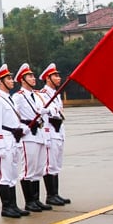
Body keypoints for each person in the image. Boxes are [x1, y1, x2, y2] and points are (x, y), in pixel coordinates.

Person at [0, 65, 27, 218]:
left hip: (13, 140)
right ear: (1, 81)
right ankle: (6, 207)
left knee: (11, 175)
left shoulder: (8, 99)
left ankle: (14, 205)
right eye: (9, 78)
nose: (12, 81)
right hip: (4, 141)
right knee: (3, 176)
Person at [12, 63, 52, 212]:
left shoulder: (35, 95)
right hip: (28, 135)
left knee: (37, 169)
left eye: (33, 76)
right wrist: (22, 128)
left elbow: (40, 111)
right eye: (30, 76)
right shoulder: (18, 96)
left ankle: (36, 199)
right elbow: (13, 114)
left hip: (39, 134)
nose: (33, 78)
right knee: (27, 170)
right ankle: (29, 201)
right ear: (22, 80)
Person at [39, 63, 71, 206]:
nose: (59, 78)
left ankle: (55, 193)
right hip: (49, 132)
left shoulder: (56, 95)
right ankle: (50, 195)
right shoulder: (42, 95)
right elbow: (44, 114)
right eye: (55, 76)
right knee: (49, 164)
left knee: (56, 164)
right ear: (48, 78)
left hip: (58, 131)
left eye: (58, 75)